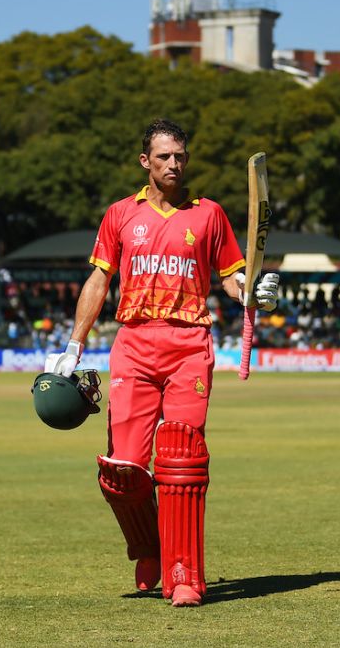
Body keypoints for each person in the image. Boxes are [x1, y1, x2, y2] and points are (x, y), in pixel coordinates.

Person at [45, 118, 279, 608]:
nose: (174, 164)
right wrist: (74, 345)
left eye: (180, 156)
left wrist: (253, 292)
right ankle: (148, 548)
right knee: (122, 470)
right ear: (145, 161)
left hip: (189, 341)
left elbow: (233, 278)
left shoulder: (209, 214)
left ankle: (185, 573)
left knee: (181, 462)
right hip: (133, 341)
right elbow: (97, 282)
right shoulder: (119, 215)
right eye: (164, 156)